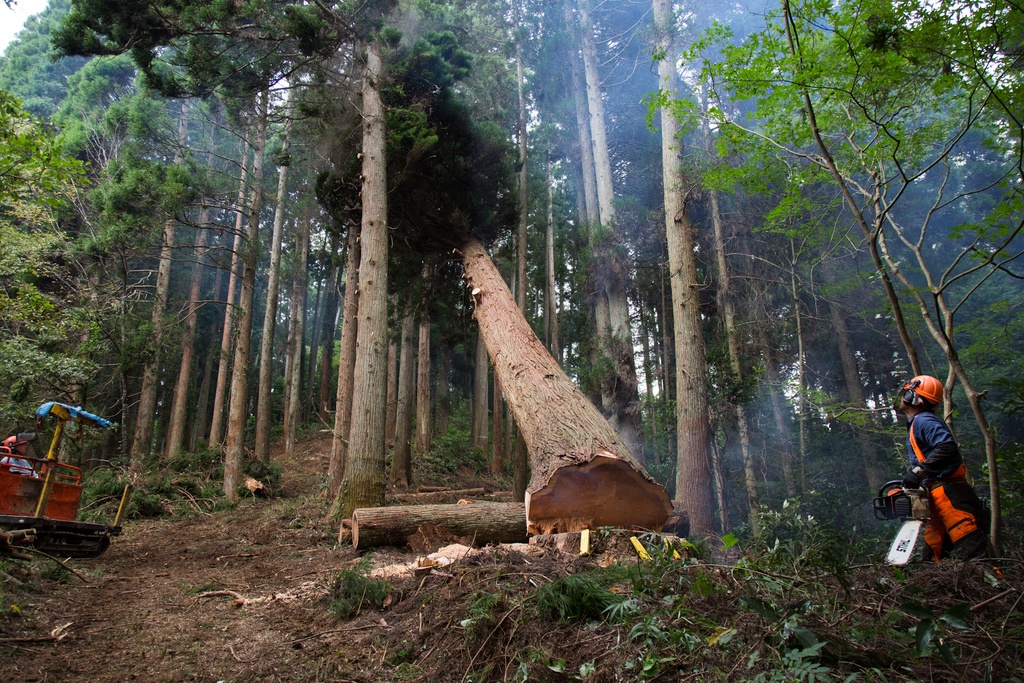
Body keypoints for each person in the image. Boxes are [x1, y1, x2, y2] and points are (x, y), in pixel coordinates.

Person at [897, 375, 988, 561]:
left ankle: (997, 587)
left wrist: (919, 472)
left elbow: (946, 446)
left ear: (913, 397)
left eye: (906, 393)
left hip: (950, 494)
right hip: (938, 496)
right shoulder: (918, 423)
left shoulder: (924, 420)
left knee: (975, 557)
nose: (902, 397)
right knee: (932, 561)